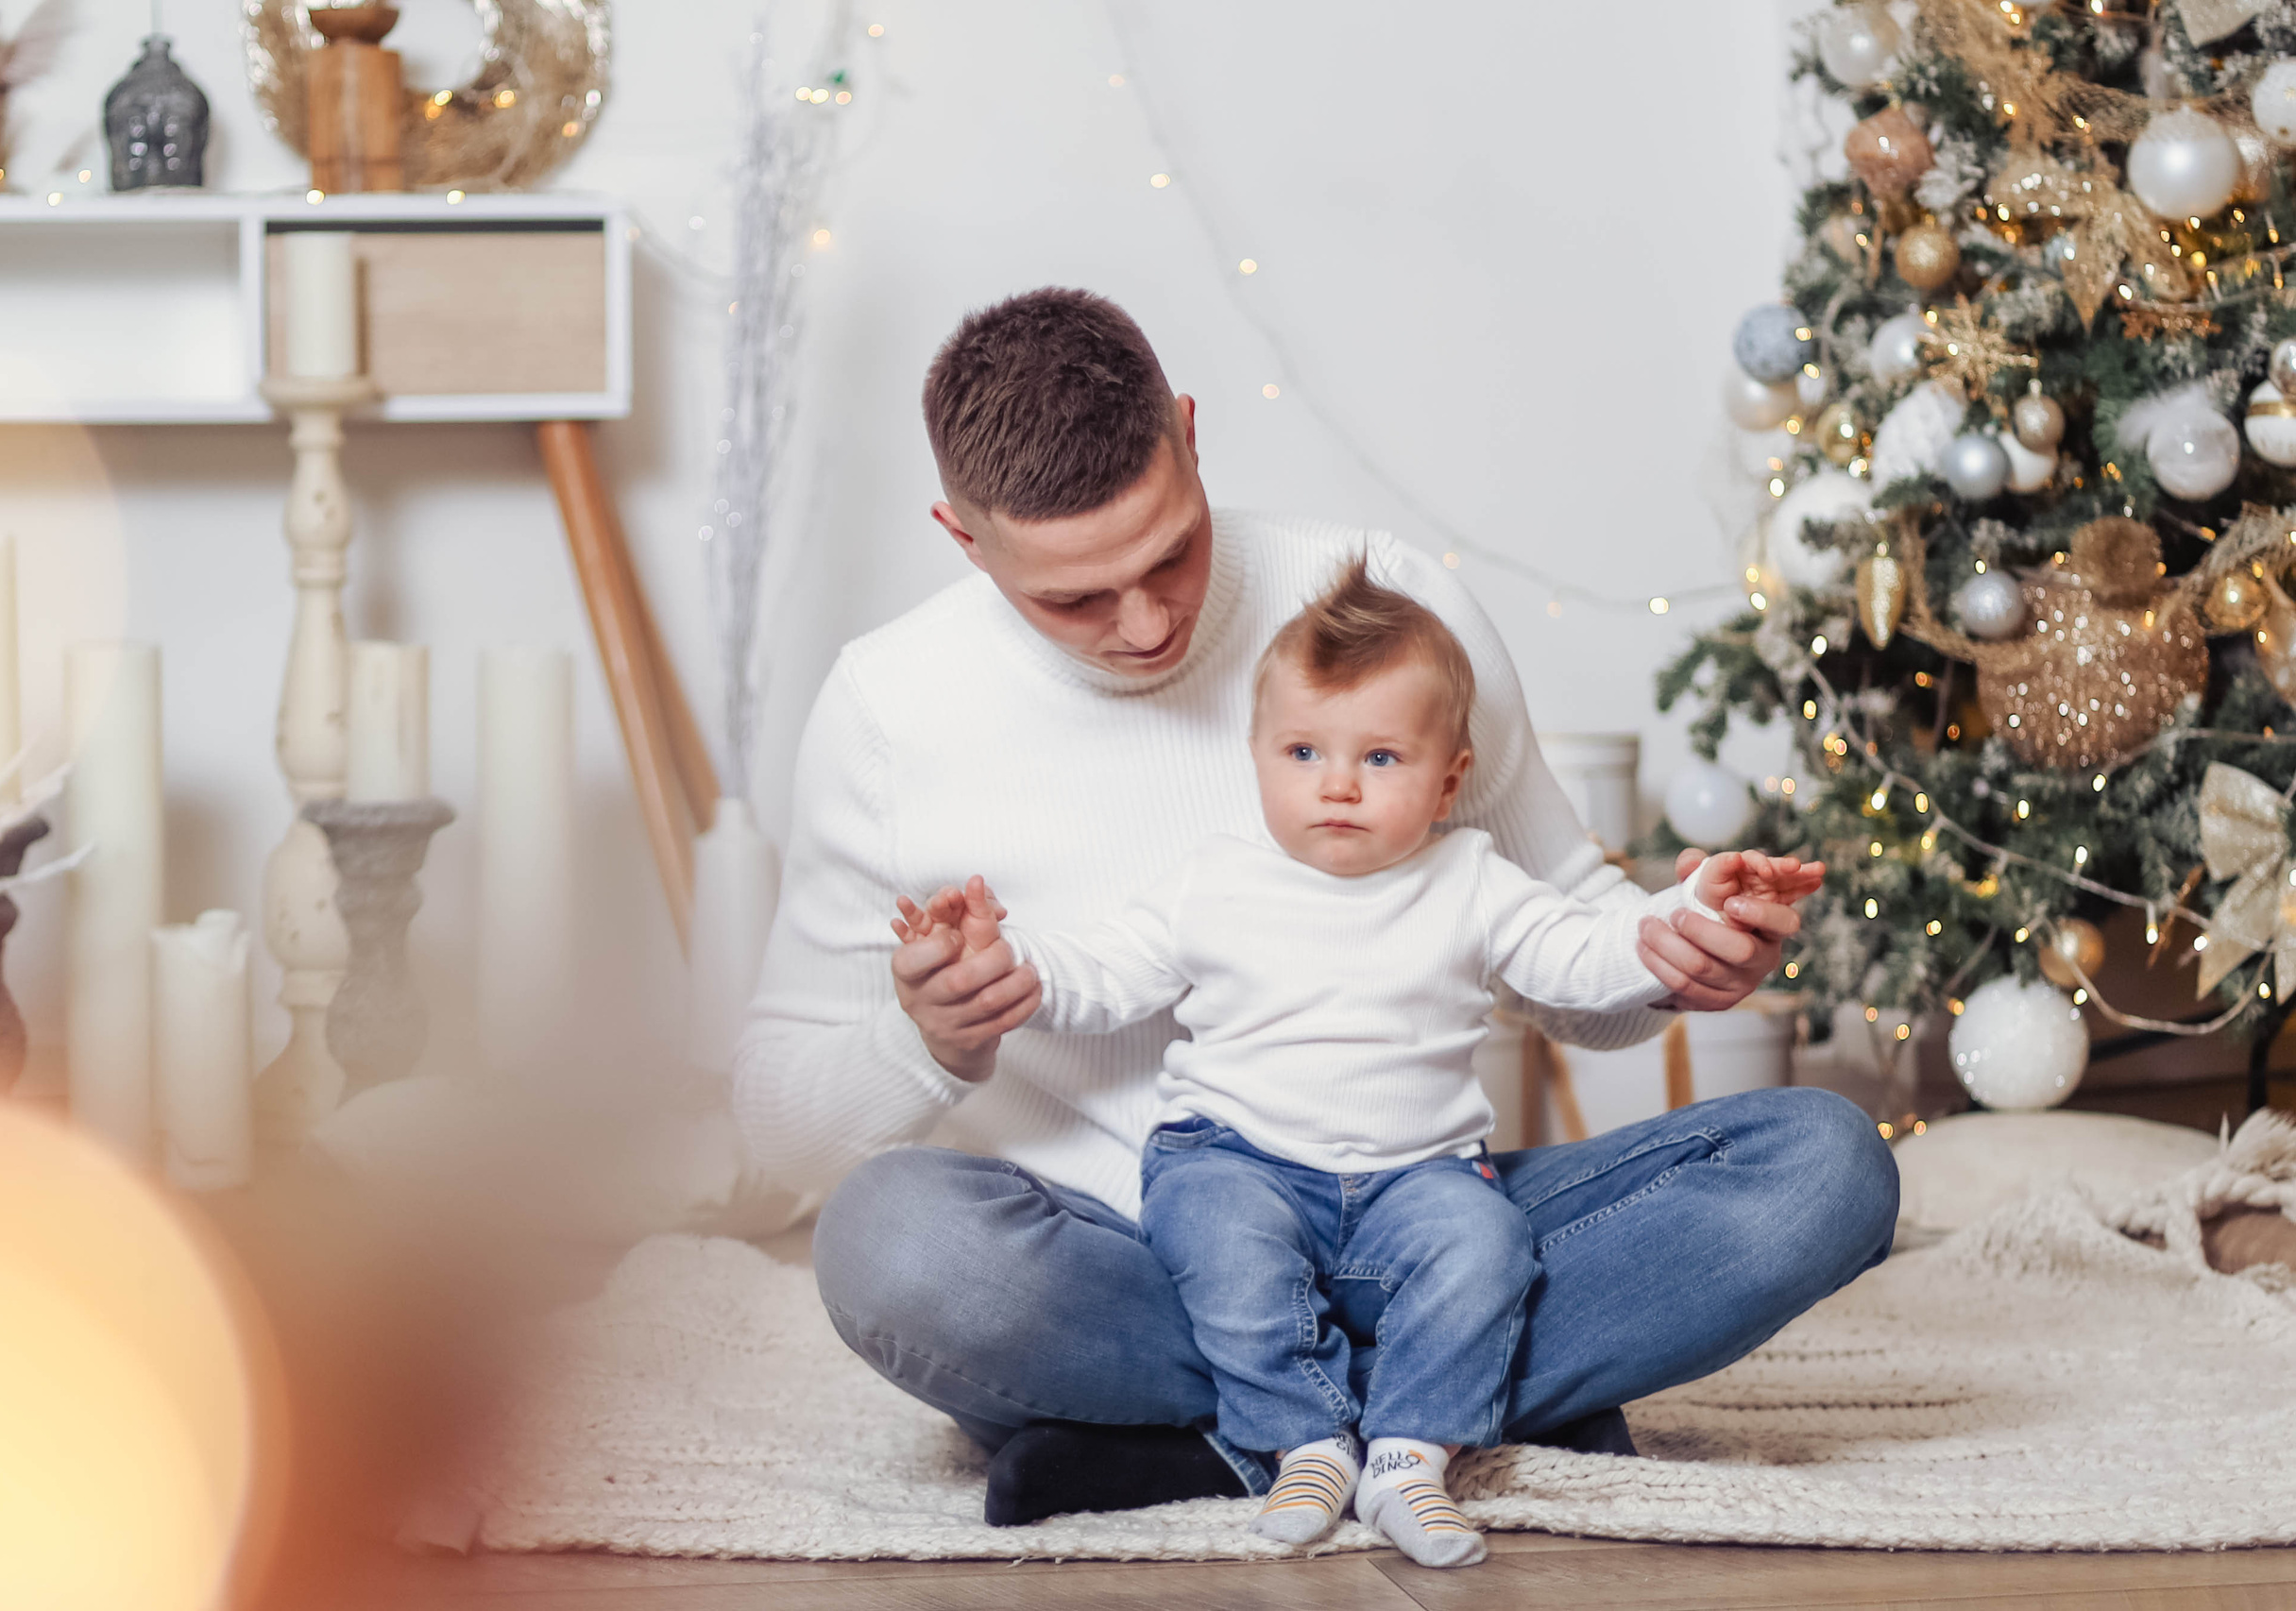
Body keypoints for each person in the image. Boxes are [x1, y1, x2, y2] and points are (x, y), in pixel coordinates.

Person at [734, 286, 1898, 1526]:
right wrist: (932, 1041)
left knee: (1826, 1167)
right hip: (1138, 1252)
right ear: (962, 539)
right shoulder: (887, 711)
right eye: (1073, 599)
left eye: (1168, 552)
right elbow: (777, 1138)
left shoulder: (1379, 609)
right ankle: (1431, 1407)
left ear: (1188, 433)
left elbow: (1556, 932)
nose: (1146, 626)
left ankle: (1218, 1441)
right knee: (892, 1244)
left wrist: (1672, 955)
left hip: (1421, 1207)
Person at [887, 560, 1825, 1566]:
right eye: (1302, 750)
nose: (1336, 783)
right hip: (1234, 1156)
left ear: (1448, 778)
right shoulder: (1217, 878)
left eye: (1380, 756)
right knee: (1219, 1241)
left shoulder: (1471, 876)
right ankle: (1304, 1439)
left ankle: (1410, 1456)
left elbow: (1584, 951)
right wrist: (1002, 961)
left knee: (1486, 1247)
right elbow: (1101, 974)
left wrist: (1685, 913)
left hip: (1418, 1177)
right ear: (1255, 756)